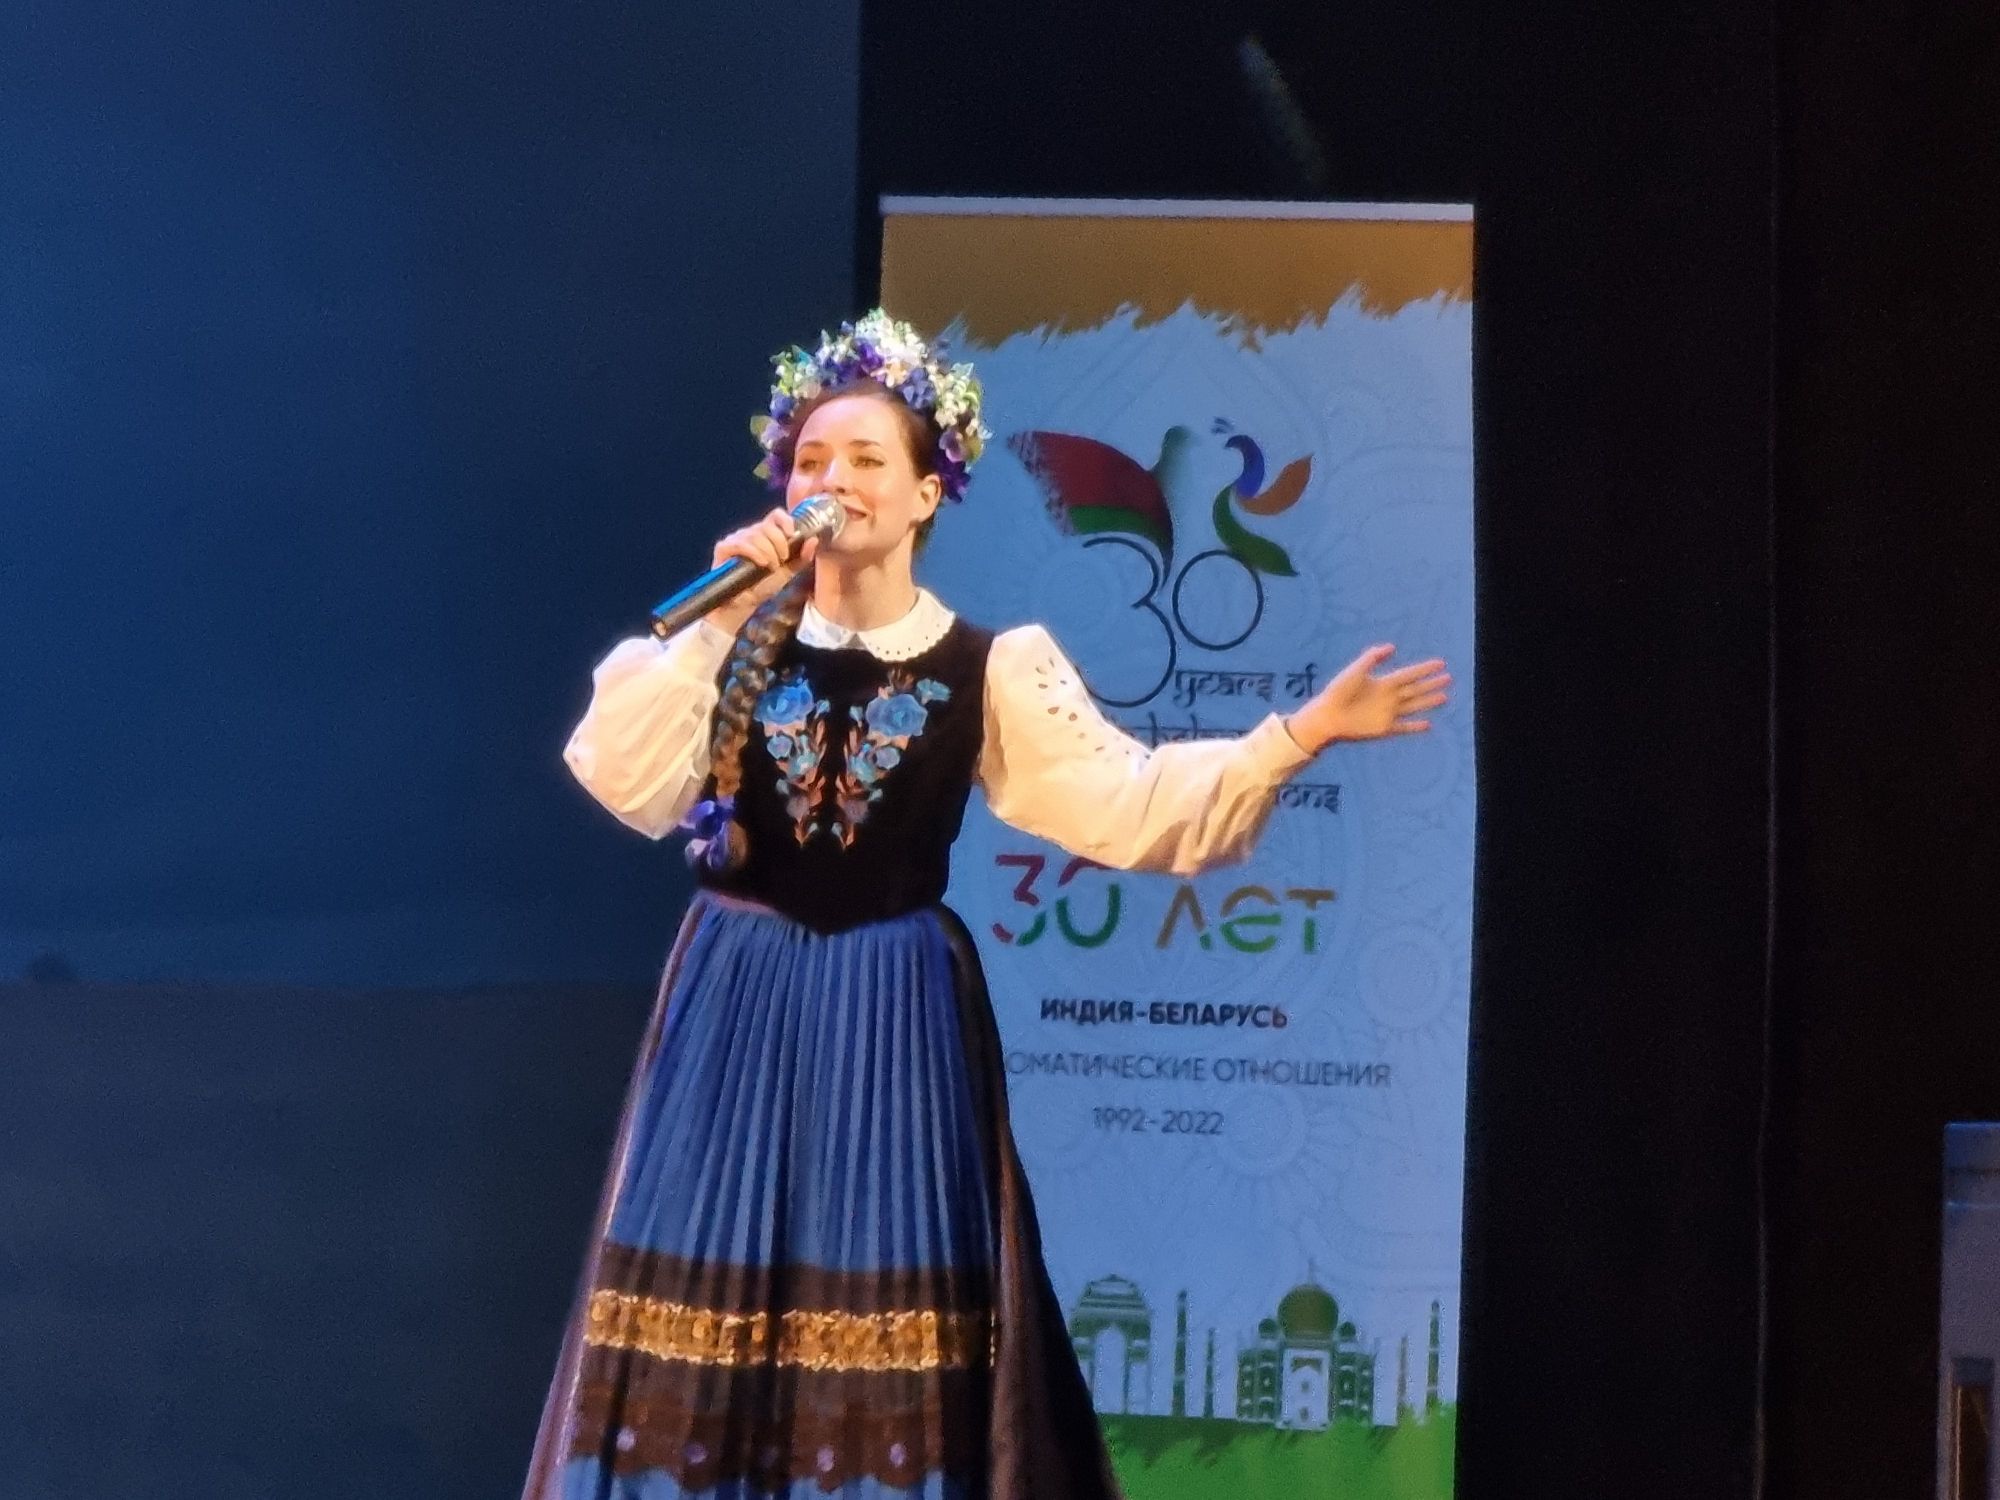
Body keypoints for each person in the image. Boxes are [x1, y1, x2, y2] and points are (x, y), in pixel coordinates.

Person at [525, 311, 1450, 1500]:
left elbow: (1127, 806)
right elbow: (623, 779)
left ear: (925, 494)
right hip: (735, 1009)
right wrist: (714, 617)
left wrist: (1296, 733)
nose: (830, 480)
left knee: (881, 1297)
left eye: (864, 458)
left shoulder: (989, 666)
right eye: (809, 460)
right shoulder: (735, 644)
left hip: (888, 1012)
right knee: (702, 1295)